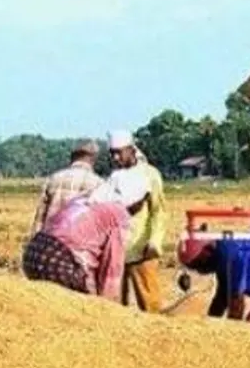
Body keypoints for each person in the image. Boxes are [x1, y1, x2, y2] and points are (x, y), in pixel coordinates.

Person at [22, 171, 151, 301]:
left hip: (34, 252)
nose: (141, 207)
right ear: (135, 198)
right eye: (142, 201)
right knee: (82, 304)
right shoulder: (117, 213)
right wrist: (107, 305)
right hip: (60, 259)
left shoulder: (86, 198)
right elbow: (111, 265)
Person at [107, 130, 168, 313]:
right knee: (115, 307)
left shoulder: (150, 175)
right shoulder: (114, 178)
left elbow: (159, 211)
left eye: (120, 152)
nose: (116, 157)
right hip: (117, 251)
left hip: (142, 250)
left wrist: (154, 241)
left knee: (150, 306)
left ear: (131, 150)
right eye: (112, 154)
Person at [30, 140, 103, 234]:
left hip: (51, 241)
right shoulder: (98, 183)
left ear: (72, 157)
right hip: (79, 243)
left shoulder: (53, 179)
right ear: (93, 158)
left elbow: (39, 220)